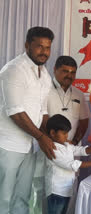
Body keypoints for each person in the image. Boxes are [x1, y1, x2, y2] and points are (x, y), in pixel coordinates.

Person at [0, 26, 55, 214]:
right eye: (39, 46)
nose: (44, 52)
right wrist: (41, 137)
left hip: (29, 145)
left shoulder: (44, 74)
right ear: (27, 45)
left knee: (22, 197)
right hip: (7, 144)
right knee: (4, 198)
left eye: (47, 48)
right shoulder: (14, 70)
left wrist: (52, 138)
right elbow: (15, 112)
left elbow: (43, 112)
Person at [31, 55, 91, 213]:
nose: (69, 75)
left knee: (68, 192)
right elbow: (42, 119)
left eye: (72, 72)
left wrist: (75, 140)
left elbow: (84, 121)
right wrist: (51, 142)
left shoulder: (79, 94)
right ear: (55, 70)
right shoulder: (44, 90)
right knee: (43, 190)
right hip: (47, 147)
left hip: (70, 150)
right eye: (64, 71)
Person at [45, 114, 91, 214]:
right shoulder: (52, 149)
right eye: (64, 133)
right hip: (56, 191)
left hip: (66, 190)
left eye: (67, 133)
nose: (67, 136)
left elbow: (82, 150)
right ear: (52, 133)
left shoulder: (67, 145)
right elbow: (72, 164)